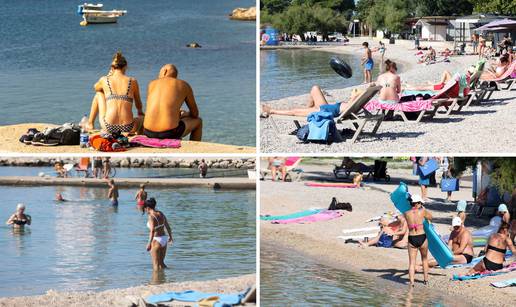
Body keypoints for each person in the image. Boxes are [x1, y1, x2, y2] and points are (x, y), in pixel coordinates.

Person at [87, 52, 145, 135]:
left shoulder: (104, 79)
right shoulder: (133, 81)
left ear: (112, 68)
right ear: (125, 66)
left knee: (99, 94)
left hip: (109, 126)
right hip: (128, 127)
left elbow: (96, 87)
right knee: (142, 118)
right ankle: (139, 134)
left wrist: (108, 75)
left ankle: (90, 123)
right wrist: (140, 111)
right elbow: (138, 103)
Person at [143, 64, 202, 141]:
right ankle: (194, 151)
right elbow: (195, 114)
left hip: (148, 132)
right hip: (169, 133)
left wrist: (177, 113)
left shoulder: (151, 84)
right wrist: (185, 114)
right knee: (198, 121)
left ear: (164, 71)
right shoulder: (184, 85)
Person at [261, 86, 364, 117]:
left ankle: (272, 111)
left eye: (354, 93)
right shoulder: (352, 104)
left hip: (323, 112)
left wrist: (354, 97)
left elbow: (347, 108)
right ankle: (308, 109)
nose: (352, 93)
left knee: (294, 112)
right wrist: (353, 97)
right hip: (325, 107)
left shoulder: (351, 104)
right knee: (315, 88)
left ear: (355, 97)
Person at [404, 194, 432, 286]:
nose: (421, 205)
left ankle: (411, 283)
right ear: (417, 203)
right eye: (420, 203)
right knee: (424, 259)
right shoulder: (422, 211)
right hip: (422, 237)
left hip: (412, 238)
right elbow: (431, 217)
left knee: (412, 262)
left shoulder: (406, 213)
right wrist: (423, 209)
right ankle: (426, 280)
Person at [144, 198, 173, 271]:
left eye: (145, 209)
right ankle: (165, 279)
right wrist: (170, 237)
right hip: (164, 239)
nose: (145, 210)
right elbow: (168, 227)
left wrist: (149, 243)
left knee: (156, 265)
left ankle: (155, 281)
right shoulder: (161, 213)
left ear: (148, 208)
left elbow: (152, 231)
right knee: (161, 263)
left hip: (156, 240)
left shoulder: (151, 216)